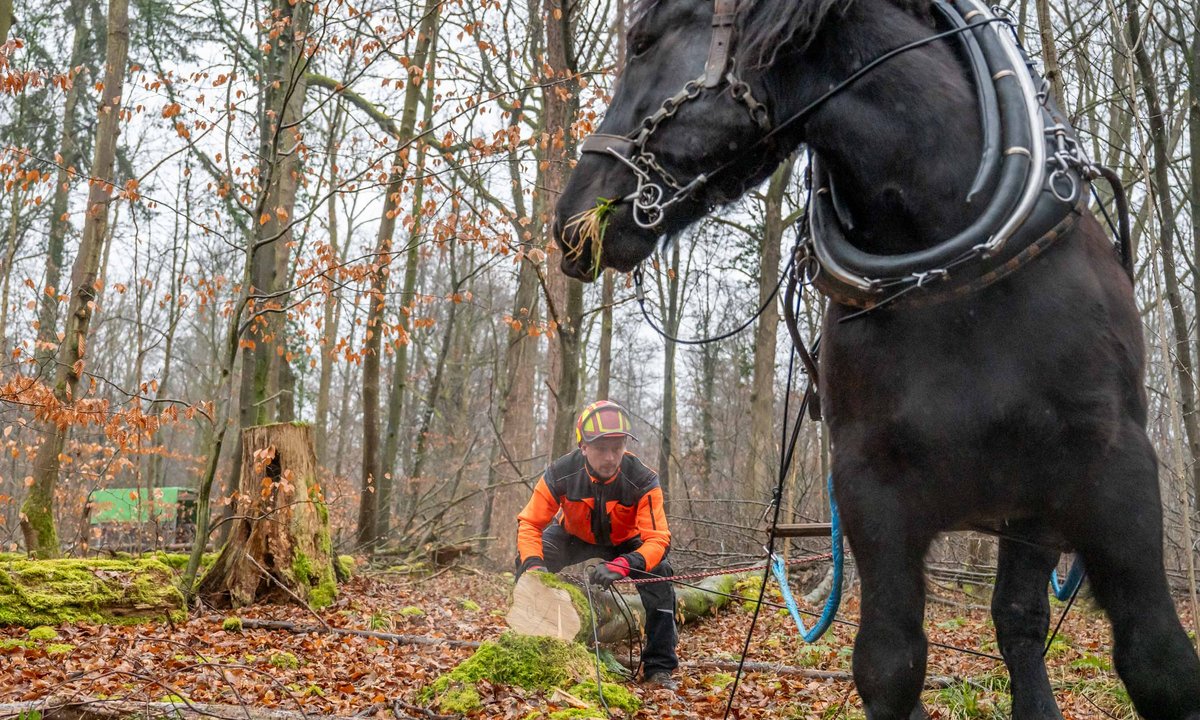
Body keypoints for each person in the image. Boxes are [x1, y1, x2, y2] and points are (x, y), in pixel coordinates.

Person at [515, 400, 679, 688]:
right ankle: (524, 640)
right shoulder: (560, 473)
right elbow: (530, 523)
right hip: (572, 537)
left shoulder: (643, 479)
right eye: (601, 448)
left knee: (661, 575)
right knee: (530, 559)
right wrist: (534, 566)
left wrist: (626, 564)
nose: (610, 457)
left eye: (617, 447)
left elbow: (658, 539)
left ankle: (659, 668)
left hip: (625, 542)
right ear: (583, 447)